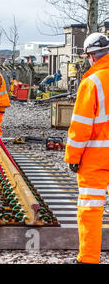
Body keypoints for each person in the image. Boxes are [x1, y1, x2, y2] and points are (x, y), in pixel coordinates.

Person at [64, 32, 109, 264]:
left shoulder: (92, 83)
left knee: (91, 208)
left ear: (91, 57)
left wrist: (73, 156)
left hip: (96, 158)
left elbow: (81, 126)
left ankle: (89, 259)